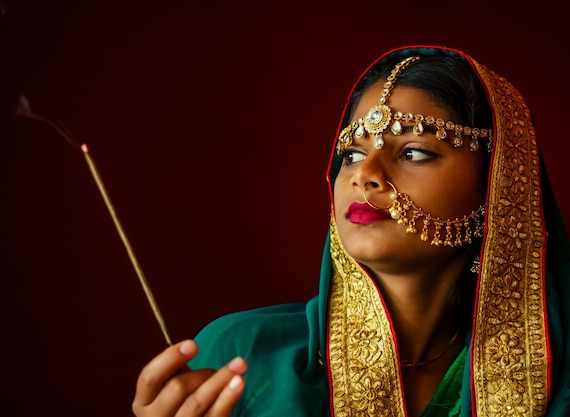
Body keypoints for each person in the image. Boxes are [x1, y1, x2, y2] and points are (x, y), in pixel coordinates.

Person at [131, 45, 570, 416]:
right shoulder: (240, 359)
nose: (364, 176)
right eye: (353, 154)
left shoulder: (560, 374)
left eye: (414, 152)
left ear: (500, 184)